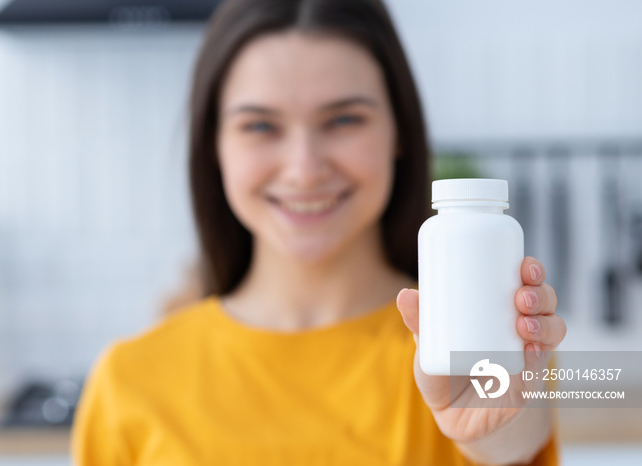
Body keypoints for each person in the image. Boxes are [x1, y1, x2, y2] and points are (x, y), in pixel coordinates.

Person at [71, 0, 566, 464]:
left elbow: (513, 438)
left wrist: (493, 433)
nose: (304, 170)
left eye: (344, 119)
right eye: (260, 126)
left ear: (398, 133)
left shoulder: (466, 348)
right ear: (214, 148)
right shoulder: (128, 382)